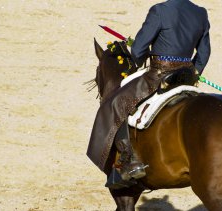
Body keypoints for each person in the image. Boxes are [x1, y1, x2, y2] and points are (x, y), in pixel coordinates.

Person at [87, 0, 211, 189]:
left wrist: (138, 59)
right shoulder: (200, 13)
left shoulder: (160, 10)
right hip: (187, 75)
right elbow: (204, 52)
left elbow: (138, 49)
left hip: (159, 74)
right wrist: (193, 72)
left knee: (117, 102)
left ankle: (127, 162)